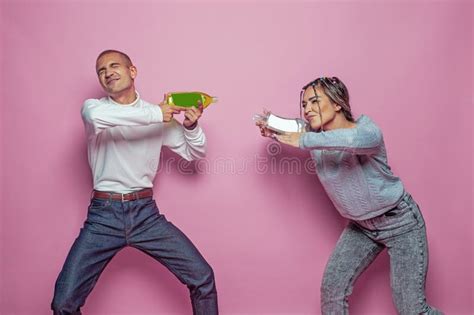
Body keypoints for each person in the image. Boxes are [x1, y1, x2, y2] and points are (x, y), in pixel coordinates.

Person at [256, 77, 442, 315]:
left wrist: (303, 139)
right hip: (361, 227)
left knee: (411, 309)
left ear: (337, 103)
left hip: (401, 223)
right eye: (304, 105)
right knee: (332, 290)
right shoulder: (314, 134)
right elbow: (293, 128)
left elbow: (349, 140)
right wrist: (271, 126)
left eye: (314, 101)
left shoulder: (367, 131)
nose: (307, 109)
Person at [51, 50, 218, 315]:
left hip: (145, 215)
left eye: (114, 66)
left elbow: (194, 153)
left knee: (203, 277)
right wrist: (156, 114)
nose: (107, 73)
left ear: (132, 71)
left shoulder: (158, 116)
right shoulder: (95, 109)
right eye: (101, 70)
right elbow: (97, 120)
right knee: (63, 304)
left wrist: (190, 127)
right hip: (103, 217)